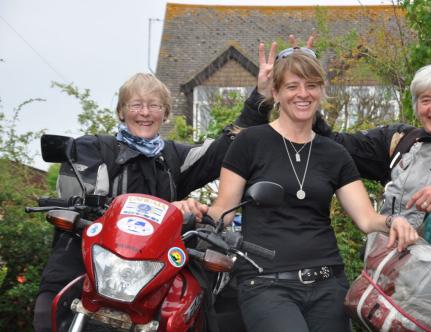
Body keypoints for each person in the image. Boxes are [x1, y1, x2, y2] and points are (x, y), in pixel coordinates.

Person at [33, 73, 268, 332]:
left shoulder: (172, 157)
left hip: (152, 269)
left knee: (192, 306)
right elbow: (77, 194)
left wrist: (260, 97)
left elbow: (224, 150)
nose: (145, 112)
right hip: (91, 256)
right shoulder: (93, 148)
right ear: (121, 111)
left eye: (154, 105)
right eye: (136, 105)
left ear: (165, 113)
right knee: (49, 310)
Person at [207, 47, 418, 332]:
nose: (302, 94)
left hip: (327, 283)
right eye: (292, 86)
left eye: (311, 86)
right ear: (277, 93)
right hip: (266, 283)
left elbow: (367, 219)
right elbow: (224, 211)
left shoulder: (334, 153)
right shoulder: (250, 143)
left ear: (321, 91)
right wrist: (192, 212)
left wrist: (395, 221)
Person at [245, 43, 431, 228]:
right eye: (425, 100)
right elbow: (334, 146)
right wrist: (304, 96)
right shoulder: (398, 141)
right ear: (416, 106)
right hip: (388, 272)